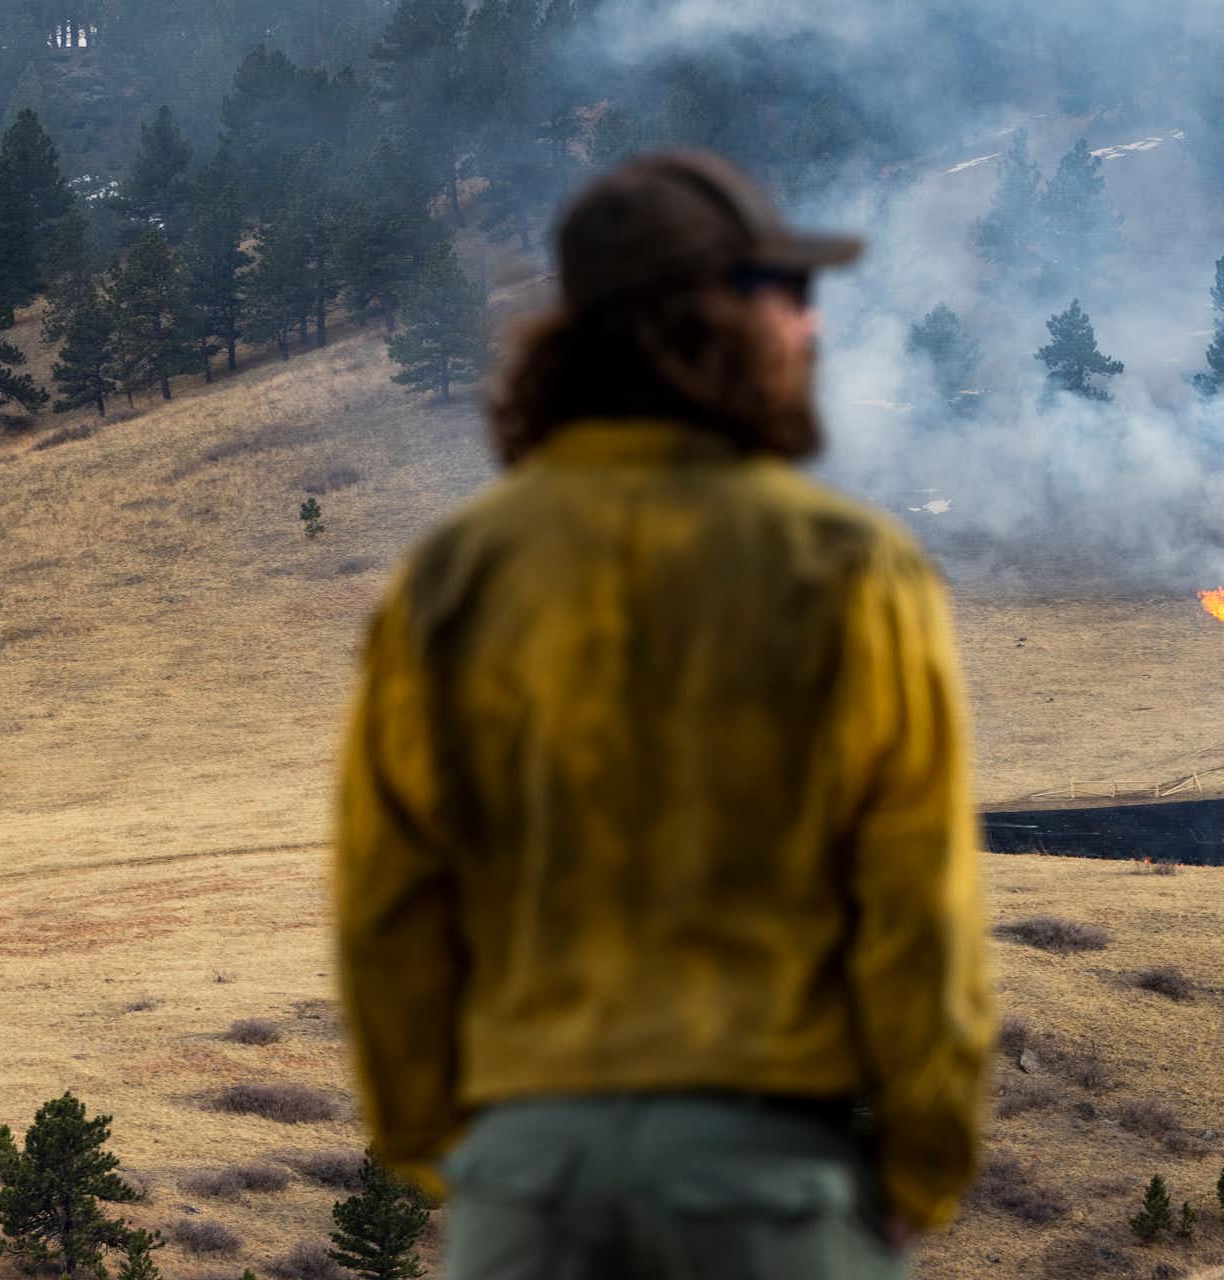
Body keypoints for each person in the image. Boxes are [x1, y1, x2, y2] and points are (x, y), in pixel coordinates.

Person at [332, 149, 993, 1278]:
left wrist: (457, 1149)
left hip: (527, 1181)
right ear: (716, 316)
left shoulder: (452, 575)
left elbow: (388, 896)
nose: (811, 330)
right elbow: (916, 900)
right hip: (768, 1177)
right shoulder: (848, 568)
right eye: (790, 295)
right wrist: (922, 1165)